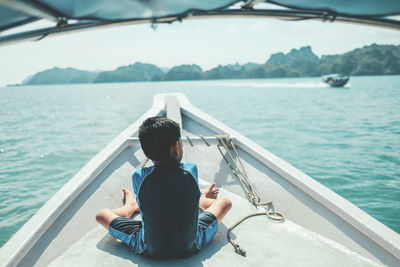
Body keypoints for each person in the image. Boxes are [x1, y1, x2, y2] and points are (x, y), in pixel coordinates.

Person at [95, 116, 232, 259]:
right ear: (176, 147)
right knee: (225, 203)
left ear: (146, 154)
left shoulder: (139, 176)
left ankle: (130, 207)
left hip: (150, 249)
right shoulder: (191, 170)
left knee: (102, 215)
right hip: (191, 246)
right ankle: (202, 201)